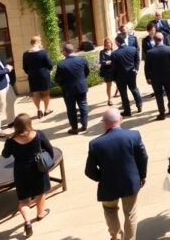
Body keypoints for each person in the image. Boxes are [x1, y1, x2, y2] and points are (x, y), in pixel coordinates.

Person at [85, 109, 148, 240]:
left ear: (104, 123)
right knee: (130, 213)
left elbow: (89, 170)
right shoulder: (134, 135)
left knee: (110, 211)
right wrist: (142, 175)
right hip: (130, 183)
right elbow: (143, 157)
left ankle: (116, 236)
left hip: (108, 186)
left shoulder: (95, 144)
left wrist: (102, 177)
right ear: (120, 120)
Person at [1, 113, 54, 238]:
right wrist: (48, 163)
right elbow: (49, 149)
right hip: (38, 169)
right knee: (41, 192)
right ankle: (40, 214)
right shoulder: (39, 134)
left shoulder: (11, 141)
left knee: (24, 201)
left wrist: (9, 142)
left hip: (21, 172)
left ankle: (27, 222)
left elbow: (5, 155)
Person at [54, 43, 90, 134]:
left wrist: (63, 85)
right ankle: (84, 124)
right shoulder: (82, 59)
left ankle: (74, 128)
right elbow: (86, 72)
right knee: (83, 105)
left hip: (68, 90)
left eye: (62, 51)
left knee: (71, 109)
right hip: (81, 87)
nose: (62, 53)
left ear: (65, 52)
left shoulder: (61, 64)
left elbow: (57, 79)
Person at [144, 32, 170, 120]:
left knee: (158, 95)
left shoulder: (150, 52)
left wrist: (147, 77)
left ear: (154, 40)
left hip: (155, 78)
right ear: (163, 39)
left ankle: (162, 113)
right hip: (168, 75)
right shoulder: (169, 49)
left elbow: (147, 66)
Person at [22, 35, 54, 120]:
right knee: (45, 93)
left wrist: (30, 72)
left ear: (31, 43)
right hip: (43, 75)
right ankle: (46, 110)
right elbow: (50, 64)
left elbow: (25, 68)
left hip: (32, 76)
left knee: (35, 94)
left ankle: (39, 110)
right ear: (39, 42)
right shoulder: (43, 52)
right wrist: (48, 70)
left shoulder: (25, 54)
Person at [110, 34, 142, 117]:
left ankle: (127, 111)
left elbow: (113, 67)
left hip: (120, 76)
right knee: (134, 89)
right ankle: (139, 105)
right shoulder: (133, 49)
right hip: (131, 73)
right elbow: (137, 60)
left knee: (123, 93)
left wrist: (113, 78)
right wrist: (136, 69)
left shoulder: (114, 54)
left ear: (118, 42)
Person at [99, 38, 118, 106]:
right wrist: (106, 62)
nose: (107, 44)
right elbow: (101, 61)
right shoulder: (102, 52)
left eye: (108, 43)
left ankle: (116, 92)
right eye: (106, 43)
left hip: (114, 70)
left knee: (119, 82)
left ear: (111, 44)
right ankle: (109, 99)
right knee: (109, 85)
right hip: (107, 71)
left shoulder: (114, 51)